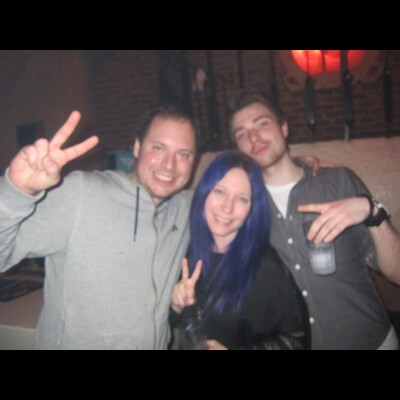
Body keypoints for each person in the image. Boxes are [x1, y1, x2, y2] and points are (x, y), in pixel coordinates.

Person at [0, 105, 197, 350]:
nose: (169, 165)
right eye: (159, 148)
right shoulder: (82, 193)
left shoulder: (186, 207)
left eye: (184, 154)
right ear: (137, 147)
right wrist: (16, 191)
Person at [228, 91, 400, 350]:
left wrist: (371, 210)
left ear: (284, 128)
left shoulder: (339, 181)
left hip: (372, 342)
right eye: (241, 134)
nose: (253, 137)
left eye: (262, 123)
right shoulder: (244, 206)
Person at [171, 152, 310, 350]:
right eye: (220, 191)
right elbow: (171, 324)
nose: (227, 207)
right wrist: (176, 306)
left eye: (242, 199)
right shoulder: (185, 249)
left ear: (252, 209)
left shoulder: (265, 268)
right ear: (203, 193)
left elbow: (296, 341)